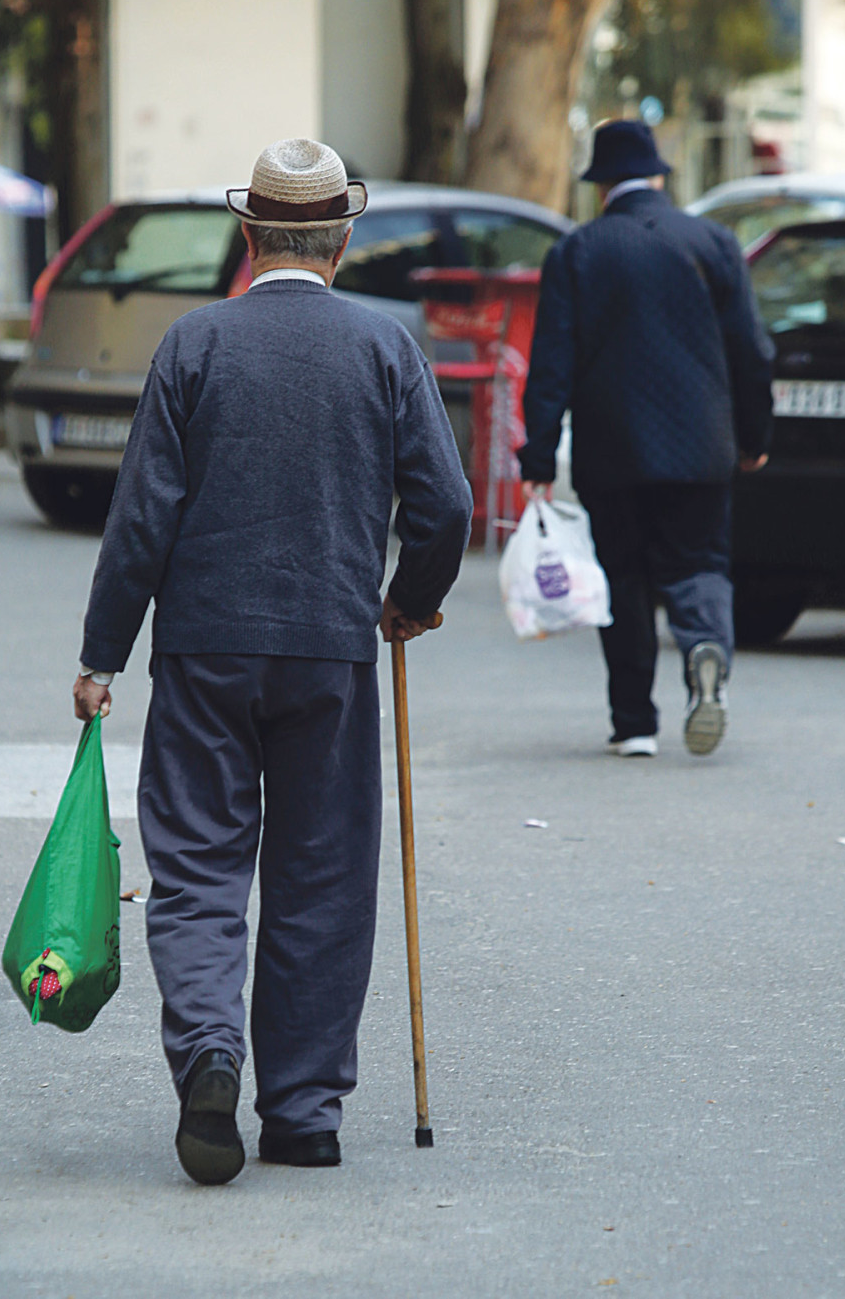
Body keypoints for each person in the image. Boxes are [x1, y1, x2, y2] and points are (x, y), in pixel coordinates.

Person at [73, 138, 472, 1185]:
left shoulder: (193, 343)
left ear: (249, 236)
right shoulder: (384, 349)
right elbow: (449, 505)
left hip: (203, 648)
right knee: (322, 876)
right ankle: (301, 1113)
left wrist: (101, 653)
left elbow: (141, 517)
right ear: (343, 238)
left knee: (199, 865)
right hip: (330, 648)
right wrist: (408, 601)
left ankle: (210, 1049)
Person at [519, 120, 774, 759]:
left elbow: (552, 363)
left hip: (614, 448)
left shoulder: (578, 251)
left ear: (601, 185)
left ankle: (635, 722)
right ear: (658, 175)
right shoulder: (714, 242)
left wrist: (540, 454)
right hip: (701, 445)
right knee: (700, 564)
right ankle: (705, 647)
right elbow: (752, 351)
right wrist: (753, 434)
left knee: (623, 577)